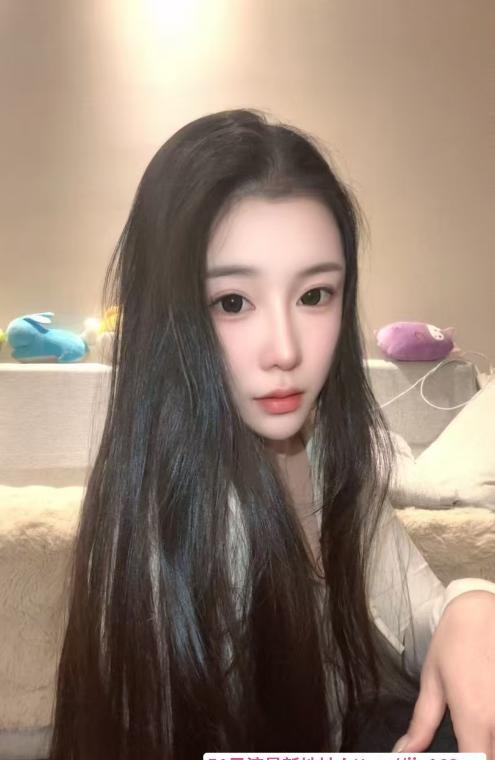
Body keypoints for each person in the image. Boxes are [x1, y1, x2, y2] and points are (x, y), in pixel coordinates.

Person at [48, 108, 495, 760]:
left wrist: (470, 605)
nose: (285, 350)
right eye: (232, 302)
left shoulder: (326, 454)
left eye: (314, 295)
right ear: (169, 318)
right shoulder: (163, 526)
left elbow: (412, 613)